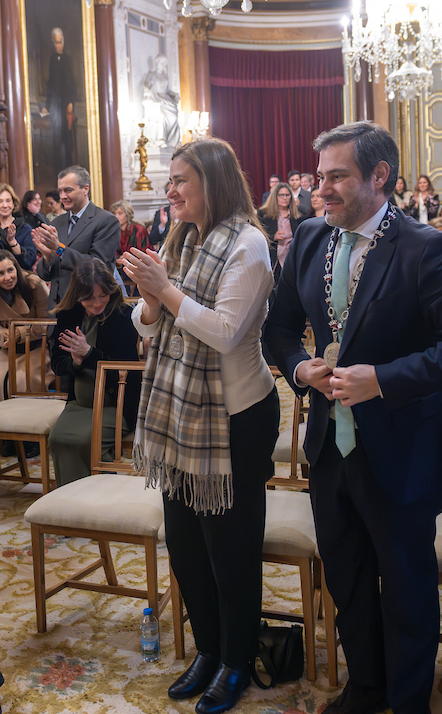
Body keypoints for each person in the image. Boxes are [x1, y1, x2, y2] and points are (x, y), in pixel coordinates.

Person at [264, 121, 442, 714]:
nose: (322, 189)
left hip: (403, 449)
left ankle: (410, 698)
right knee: (348, 577)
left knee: (407, 586)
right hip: (328, 447)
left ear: (379, 176)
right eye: (320, 176)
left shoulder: (423, 246)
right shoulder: (311, 238)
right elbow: (279, 328)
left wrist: (382, 381)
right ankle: (366, 684)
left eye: (337, 176)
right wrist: (299, 368)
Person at [120, 138, 278, 714]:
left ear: (212, 182)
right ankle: (209, 650)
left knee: (230, 550)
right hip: (180, 415)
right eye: (170, 180)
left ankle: (237, 660)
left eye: (181, 180)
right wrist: (151, 299)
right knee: (186, 546)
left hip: (236, 417)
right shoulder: (182, 236)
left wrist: (164, 289)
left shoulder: (249, 244)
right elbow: (147, 325)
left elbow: (225, 332)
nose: (170, 191)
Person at [46, 258, 141, 486]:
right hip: (80, 403)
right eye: (89, 297)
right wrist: (75, 362)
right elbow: (58, 365)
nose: (97, 303)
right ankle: (71, 502)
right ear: (77, 295)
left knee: (86, 441)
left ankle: (101, 501)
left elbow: (126, 372)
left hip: (115, 404)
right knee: (58, 439)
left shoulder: (122, 315)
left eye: (103, 295)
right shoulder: (68, 315)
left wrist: (88, 354)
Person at [31, 166, 121, 306]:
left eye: (68, 190)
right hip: (57, 309)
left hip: (89, 307)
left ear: (85, 189)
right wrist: (48, 257)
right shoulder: (57, 222)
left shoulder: (106, 221)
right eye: (60, 191)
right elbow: (45, 275)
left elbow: (97, 266)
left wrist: (58, 248)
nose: (62, 197)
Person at [0, 249, 51, 402]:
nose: (8, 277)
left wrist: (18, 333)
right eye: (0, 274)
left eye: (10, 270)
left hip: (37, 346)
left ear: (16, 269)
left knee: (22, 379)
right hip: (7, 347)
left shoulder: (34, 285)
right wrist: (4, 336)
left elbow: (47, 322)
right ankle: (3, 424)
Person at [41, 27, 78, 173]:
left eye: (60, 42)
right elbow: (51, 84)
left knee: (67, 142)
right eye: (56, 42)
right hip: (55, 106)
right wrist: (47, 106)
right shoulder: (52, 59)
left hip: (66, 104)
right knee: (55, 142)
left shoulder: (67, 59)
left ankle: (69, 172)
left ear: (63, 42)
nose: (58, 45)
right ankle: (58, 174)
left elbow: (71, 84)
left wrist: (70, 103)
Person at [259, 181, 302, 271]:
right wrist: (272, 237)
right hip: (272, 261)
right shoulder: (263, 214)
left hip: (291, 261)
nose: (285, 198)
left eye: (287, 195)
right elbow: (258, 238)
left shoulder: (297, 216)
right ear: (275, 197)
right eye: (281, 195)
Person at [111, 200, 150, 293]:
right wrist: (117, 259)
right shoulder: (112, 230)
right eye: (114, 213)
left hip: (139, 265)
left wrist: (129, 258)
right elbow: (111, 250)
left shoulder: (139, 229)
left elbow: (144, 251)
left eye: (120, 213)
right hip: (121, 268)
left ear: (127, 214)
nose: (117, 216)